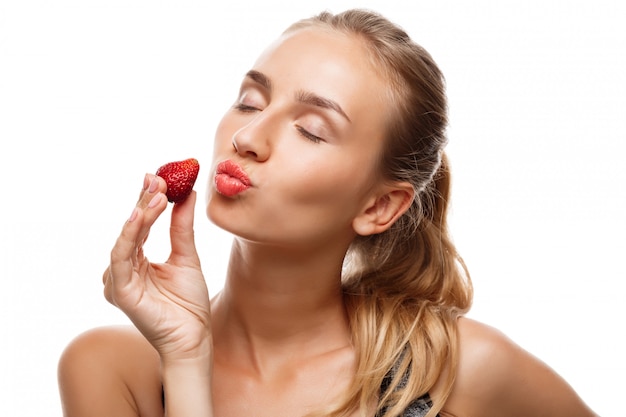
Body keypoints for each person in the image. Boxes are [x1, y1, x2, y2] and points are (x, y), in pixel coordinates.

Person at [57, 9, 597, 417]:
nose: (246, 137)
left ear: (379, 205)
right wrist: (185, 356)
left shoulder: (453, 369)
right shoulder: (113, 368)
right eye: (249, 101)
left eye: (311, 129)